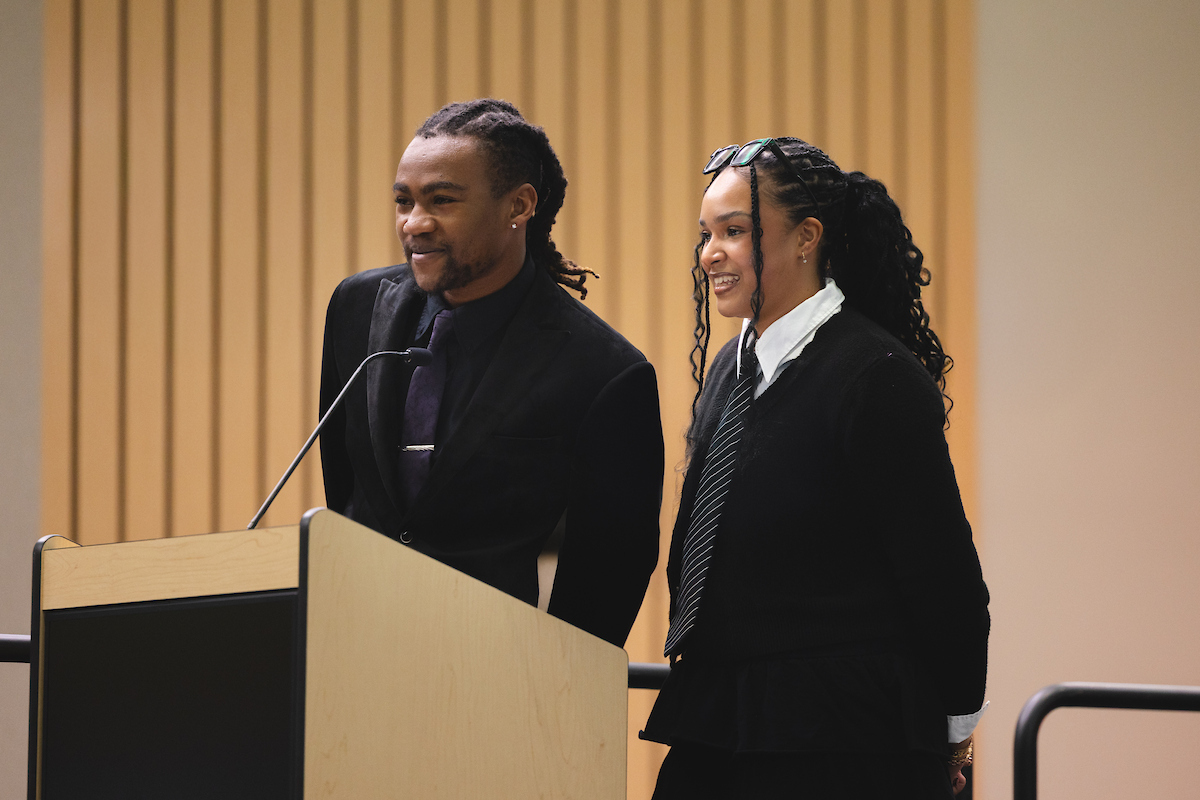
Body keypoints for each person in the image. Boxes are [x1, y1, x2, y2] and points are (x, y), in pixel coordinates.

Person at [640, 138, 990, 798]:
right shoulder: (729, 367)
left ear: (806, 238)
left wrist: (954, 724)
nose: (711, 253)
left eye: (735, 232)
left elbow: (943, 578)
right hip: (720, 717)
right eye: (706, 234)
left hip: (841, 737)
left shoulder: (874, 375)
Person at [318, 99, 663, 647]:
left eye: (442, 201)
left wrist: (555, 682)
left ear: (519, 205)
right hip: (351, 639)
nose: (415, 224)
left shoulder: (603, 370)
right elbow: (345, 485)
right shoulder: (355, 308)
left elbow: (610, 566)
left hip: (492, 668)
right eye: (404, 201)